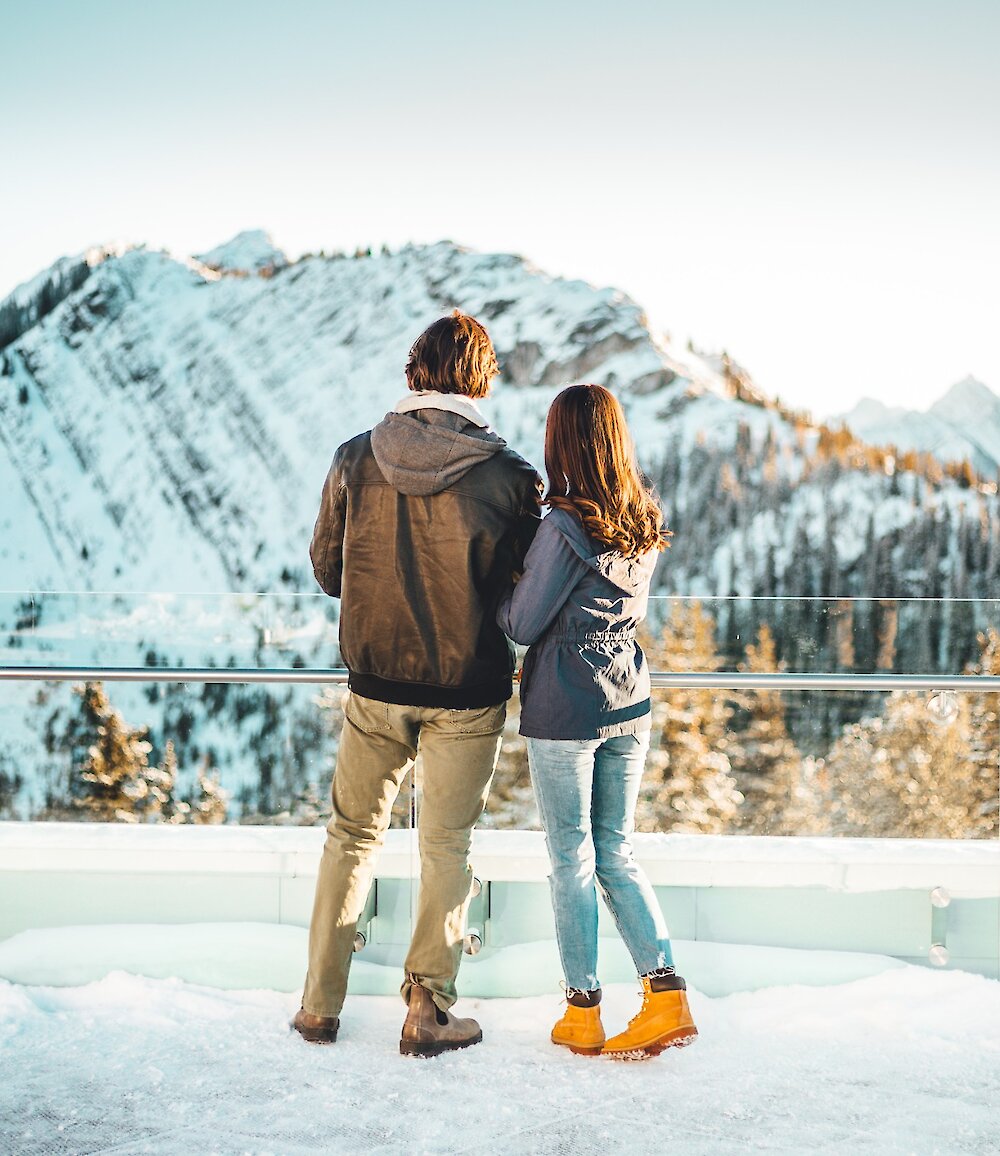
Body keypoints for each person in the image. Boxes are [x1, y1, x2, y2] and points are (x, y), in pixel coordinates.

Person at [294, 311, 542, 1056]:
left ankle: (318, 1006)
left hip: (374, 685)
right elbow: (522, 598)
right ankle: (426, 1011)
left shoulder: (353, 459)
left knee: (349, 838)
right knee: (446, 847)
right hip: (467, 692)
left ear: (413, 373)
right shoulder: (509, 478)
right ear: (482, 380)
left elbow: (328, 570)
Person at [496, 383, 698, 1059]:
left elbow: (523, 623)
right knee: (616, 848)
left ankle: (583, 1012)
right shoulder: (641, 515)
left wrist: (505, 583)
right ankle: (664, 994)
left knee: (571, 857)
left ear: (562, 443)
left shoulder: (561, 526)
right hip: (628, 697)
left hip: (564, 703)